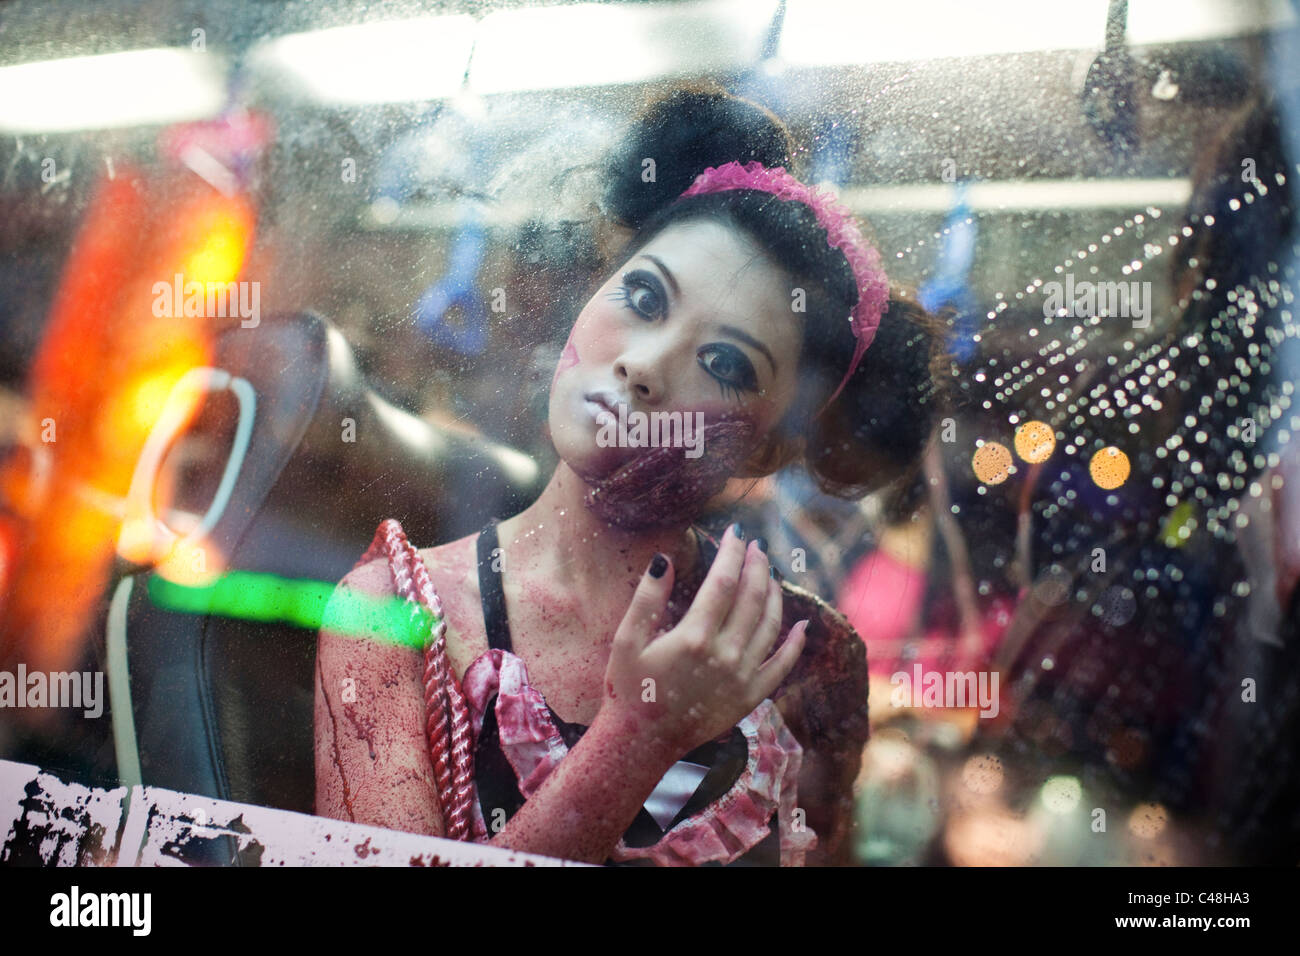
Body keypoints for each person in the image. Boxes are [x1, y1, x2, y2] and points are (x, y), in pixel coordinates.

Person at [313, 97, 942, 866]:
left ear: (768, 452)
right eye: (643, 298)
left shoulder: (808, 659)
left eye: (726, 364)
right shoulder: (394, 614)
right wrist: (639, 737)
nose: (644, 366)